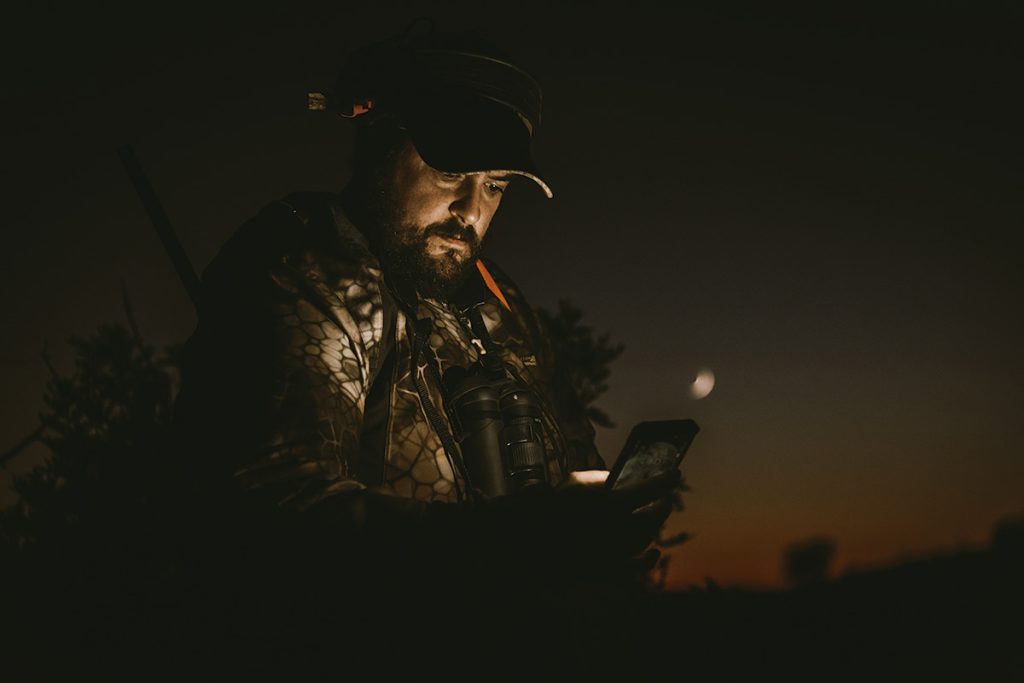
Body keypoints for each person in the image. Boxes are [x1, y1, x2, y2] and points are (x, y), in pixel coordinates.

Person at [171, 24, 681, 667]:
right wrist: (524, 540)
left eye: (495, 185)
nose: (471, 211)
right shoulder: (301, 273)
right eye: (451, 171)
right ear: (378, 142)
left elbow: (572, 461)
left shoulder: (500, 305)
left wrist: (608, 518)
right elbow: (277, 514)